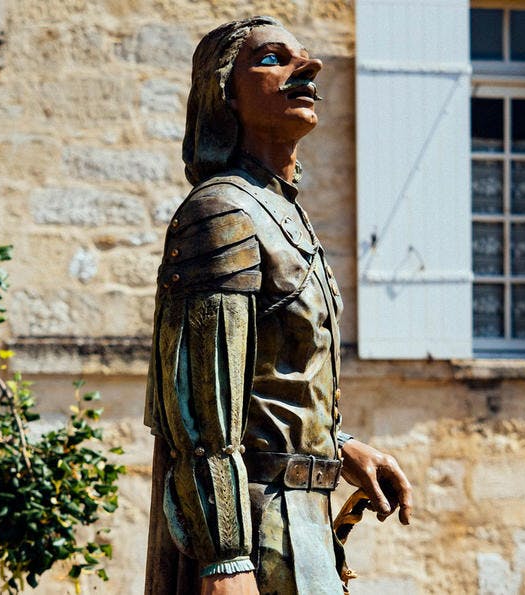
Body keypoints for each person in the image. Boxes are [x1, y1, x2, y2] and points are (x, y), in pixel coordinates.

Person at [144, 16, 413, 595]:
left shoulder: (283, 212)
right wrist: (224, 561)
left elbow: (275, 382)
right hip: (260, 529)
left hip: (305, 525)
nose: (307, 67)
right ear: (226, 97)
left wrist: (339, 449)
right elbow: (203, 414)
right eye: (271, 59)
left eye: (305, 57)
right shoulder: (221, 213)